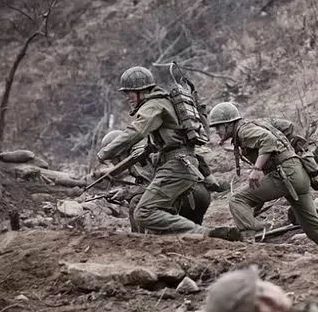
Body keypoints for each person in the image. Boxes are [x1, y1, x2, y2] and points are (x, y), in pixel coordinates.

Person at [97, 67, 238, 239]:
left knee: (143, 211)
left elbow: (136, 131)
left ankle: (206, 234)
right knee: (151, 212)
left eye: (129, 92)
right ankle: (201, 235)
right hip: (184, 165)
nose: (127, 97)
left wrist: (104, 153)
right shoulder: (165, 102)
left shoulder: (154, 105)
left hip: (176, 165)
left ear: (142, 90)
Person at [208, 102, 318, 251]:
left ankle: (248, 247)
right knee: (313, 228)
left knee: (237, 199)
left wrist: (257, 168)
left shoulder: (244, 130)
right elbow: (287, 126)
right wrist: (286, 152)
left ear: (229, 124)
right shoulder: (260, 123)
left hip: (286, 174)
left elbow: (268, 140)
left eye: (218, 126)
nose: (216, 131)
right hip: (299, 173)